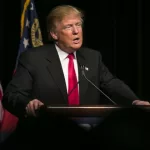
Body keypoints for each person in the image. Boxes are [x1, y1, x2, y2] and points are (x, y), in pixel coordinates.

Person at [1, 4, 150, 149]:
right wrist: (28, 104)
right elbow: (12, 95)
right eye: (68, 27)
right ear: (54, 34)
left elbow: (112, 83)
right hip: (46, 141)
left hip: (86, 139)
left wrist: (134, 101)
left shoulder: (92, 57)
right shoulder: (33, 58)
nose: (76, 31)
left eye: (78, 25)